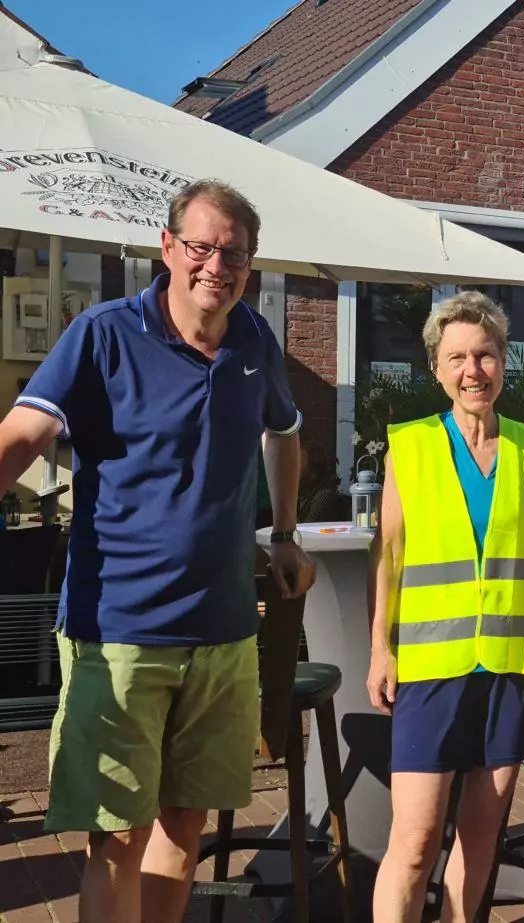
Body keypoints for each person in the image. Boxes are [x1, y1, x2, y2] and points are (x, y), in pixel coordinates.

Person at [0, 180, 315, 923]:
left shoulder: (254, 340)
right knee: (117, 837)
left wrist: (286, 531)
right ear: (167, 249)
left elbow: (285, 430)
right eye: (201, 246)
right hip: (120, 633)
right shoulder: (104, 334)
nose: (217, 265)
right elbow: (23, 434)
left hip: (225, 630)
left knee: (186, 827)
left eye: (233, 252)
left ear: (252, 263)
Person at [366, 291, 524, 923]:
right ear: (436, 369)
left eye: (485, 355)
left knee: (481, 837)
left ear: (505, 362)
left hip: (507, 665)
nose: (472, 370)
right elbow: (388, 555)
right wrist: (380, 649)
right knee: (415, 840)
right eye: (457, 358)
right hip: (429, 665)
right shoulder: (412, 446)